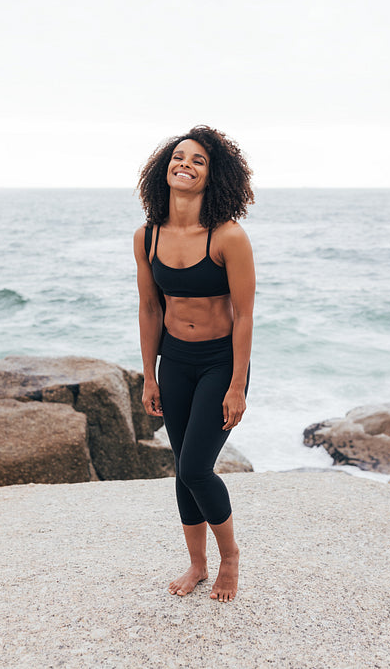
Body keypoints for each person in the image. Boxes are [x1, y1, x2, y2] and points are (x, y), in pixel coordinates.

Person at [133, 125, 255, 603]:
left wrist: (237, 385)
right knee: (182, 466)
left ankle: (230, 560)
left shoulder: (228, 237)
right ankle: (197, 565)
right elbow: (149, 309)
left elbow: (244, 314)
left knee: (198, 468)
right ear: (165, 168)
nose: (185, 164)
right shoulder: (146, 236)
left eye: (198, 160)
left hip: (220, 362)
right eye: (178, 156)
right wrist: (149, 375)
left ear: (213, 175)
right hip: (176, 362)